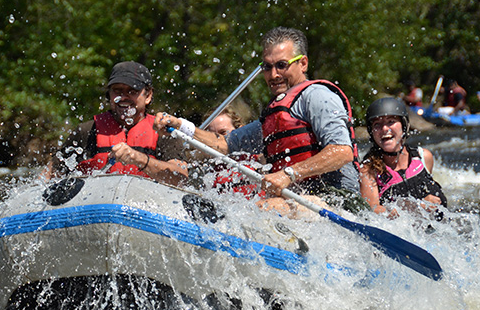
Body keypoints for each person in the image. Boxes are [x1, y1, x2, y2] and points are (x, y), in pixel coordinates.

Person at [154, 26, 362, 216]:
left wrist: (288, 174)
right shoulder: (274, 115)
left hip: (338, 202)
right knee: (252, 205)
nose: (273, 75)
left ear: (303, 63)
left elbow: (342, 151)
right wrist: (181, 125)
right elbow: (224, 144)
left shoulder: (318, 96)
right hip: (298, 202)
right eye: (267, 67)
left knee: (264, 209)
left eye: (281, 65)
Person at [43, 61, 188, 185]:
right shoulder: (86, 131)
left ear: (148, 95)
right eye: (117, 91)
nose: (123, 97)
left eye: (132, 91)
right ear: (110, 95)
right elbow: (50, 176)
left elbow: (181, 178)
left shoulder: (163, 131)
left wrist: (139, 159)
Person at [359, 97, 447, 218]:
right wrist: (415, 207)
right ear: (371, 132)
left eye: (390, 122)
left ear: (404, 126)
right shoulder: (368, 170)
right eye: (377, 124)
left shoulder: (423, 157)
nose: (384, 128)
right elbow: (372, 209)